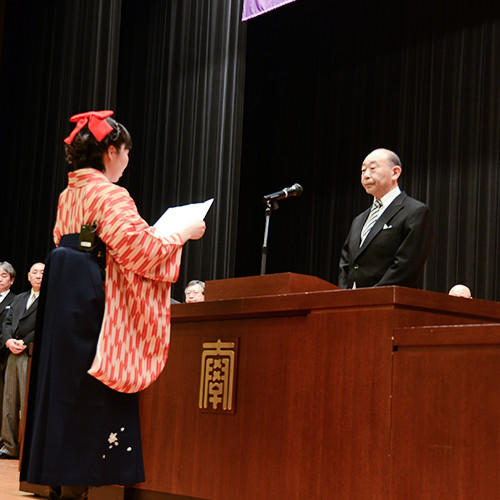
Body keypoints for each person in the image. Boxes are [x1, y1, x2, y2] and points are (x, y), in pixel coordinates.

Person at [20, 111, 205, 499]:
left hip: (64, 299)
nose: (127, 160)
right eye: (125, 152)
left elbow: (65, 239)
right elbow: (140, 250)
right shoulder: (108, 193)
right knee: (92, 386)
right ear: (109, 152)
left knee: (65, 387)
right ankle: (79, 485)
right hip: (90, 301)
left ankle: (60, 481)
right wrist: (183, 233)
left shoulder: (69, 194)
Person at [338, 148, 433, 289]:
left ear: (395, 173)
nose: (366, 175)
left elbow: (405, 267)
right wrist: (343, 296)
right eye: (363, 171)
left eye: (372, 168)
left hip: (387, 303)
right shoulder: (359, 220)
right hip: (351, 305)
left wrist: (373, 297)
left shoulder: (415, 212)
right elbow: (346, 264)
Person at [0, 262, 44, 459]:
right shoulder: (19, 298)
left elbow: (44, 325)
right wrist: (8, 340)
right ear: (28, 276)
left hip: (31, 353)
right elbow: (7, 322)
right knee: (9, 401)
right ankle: (9, 446)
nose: (38, 276)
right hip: (12, 353)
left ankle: (27, 448)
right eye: (34, 272)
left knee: (27, 402)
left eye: (42, 273)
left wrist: (24, 342)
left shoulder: (50, 299)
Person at [0, 261, 16, 447]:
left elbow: (8, 328)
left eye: (4, 276)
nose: (0, 279)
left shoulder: (15, 300)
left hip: (4, 354)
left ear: (11, 281)